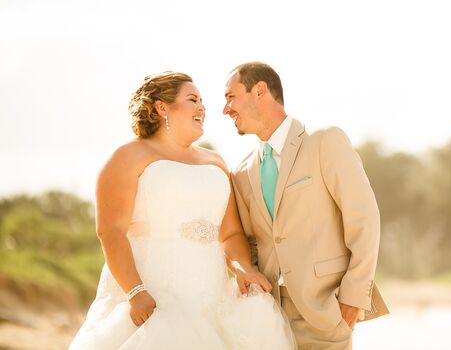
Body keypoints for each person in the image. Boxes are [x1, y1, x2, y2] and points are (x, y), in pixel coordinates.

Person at [69, 72, 296, 350]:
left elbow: (231, 233)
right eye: (192, 100)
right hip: (155, 297)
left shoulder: (216, 162)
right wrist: (135, 291)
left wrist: (243, 269)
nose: (202, 107)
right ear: (162, 107)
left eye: (202, 101)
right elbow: (110, 230)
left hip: (212, 297)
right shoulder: (127, 157)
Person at [223, 62, 388, 350]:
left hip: (327, 310)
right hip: (267, 316)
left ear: (260, 91)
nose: (226, 109)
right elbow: (251, 242)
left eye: (230, 97)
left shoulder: (325, 140)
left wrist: (354, 296)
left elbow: (364, 218)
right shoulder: (240, 172)